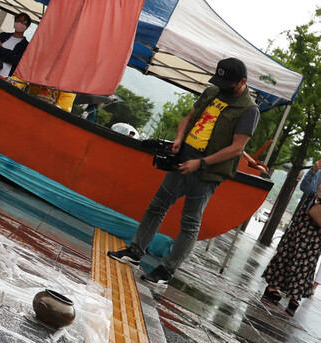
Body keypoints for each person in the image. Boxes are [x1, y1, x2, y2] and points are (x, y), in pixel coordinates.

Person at [108, 57, 260, 289]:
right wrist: (179, 139)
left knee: (190, 222)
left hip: (207, 171)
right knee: (157, 206)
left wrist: (200, 163)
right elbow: (188, 119)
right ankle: (135, 251)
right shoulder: (212, 92)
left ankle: (166, 270)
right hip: (183, 159)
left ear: (242, 82)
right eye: (219, 80)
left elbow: (236, 148)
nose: (222, 86)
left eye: (227, 83)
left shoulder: (249, 110)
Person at [261, 158, 321, 315]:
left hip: (319, 228)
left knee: (309, 258)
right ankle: (273, 286)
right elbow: (306, 189)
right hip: (307, 217)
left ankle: (295, 294)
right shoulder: (320, 171)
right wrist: (314, 171)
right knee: (291, 250)